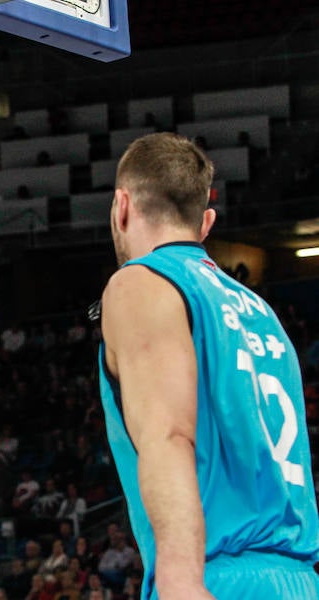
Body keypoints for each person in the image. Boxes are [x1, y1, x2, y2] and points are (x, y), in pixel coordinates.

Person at [97, 132, 319, 599]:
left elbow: (168, 434)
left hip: (215, 576)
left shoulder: (140, 283)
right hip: (299, 580)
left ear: (121, 206)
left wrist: (180, 581)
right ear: (206, 223)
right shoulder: (263, 314)